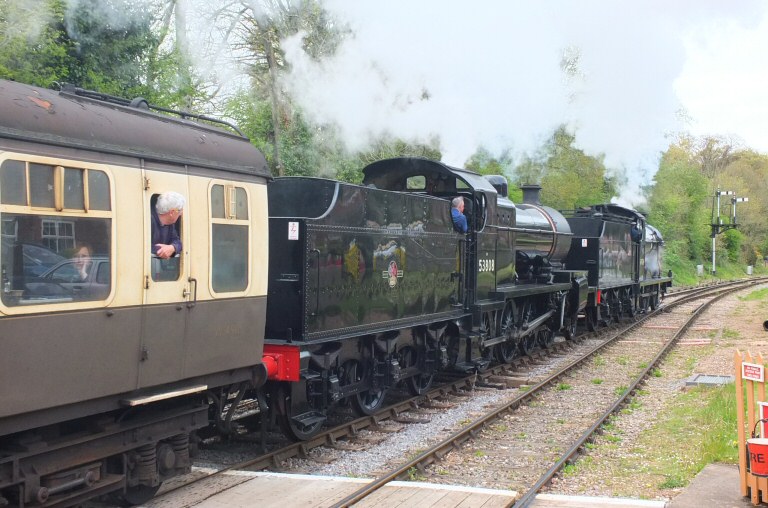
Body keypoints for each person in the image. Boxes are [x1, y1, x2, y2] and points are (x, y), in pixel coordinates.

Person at [152, 191, 185, 259]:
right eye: (180, 210)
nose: (181, 214)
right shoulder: (149, 220)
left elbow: (178, 242)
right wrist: (162, 250)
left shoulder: (170, 224)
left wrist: (172, 247)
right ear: (172, 212)